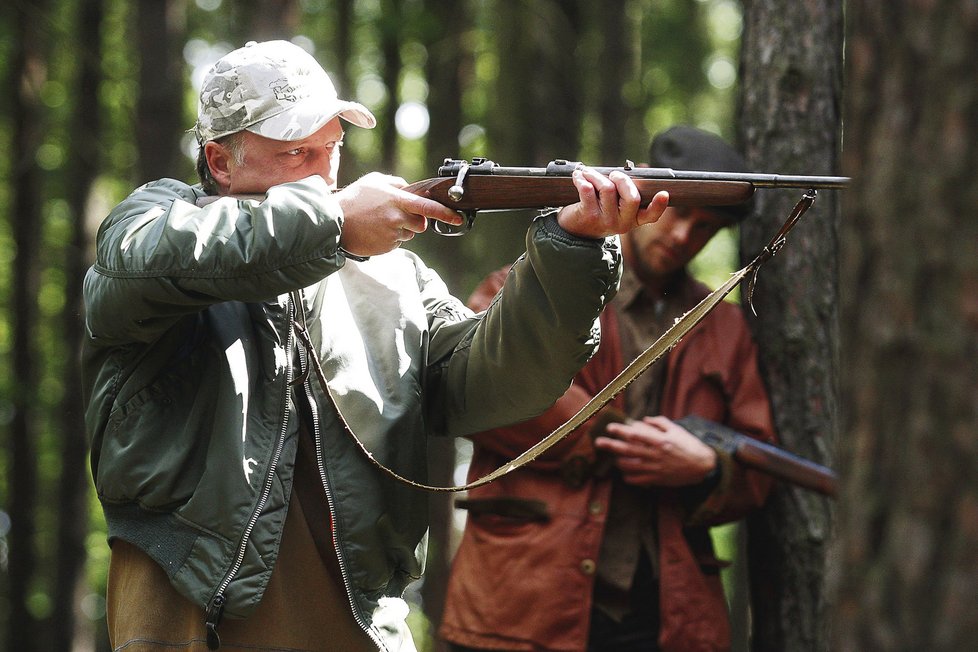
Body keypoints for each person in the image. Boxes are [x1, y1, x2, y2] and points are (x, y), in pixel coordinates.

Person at [81, 39, 668, 652]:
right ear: (220, 163)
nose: (322, 171)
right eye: (296, 152)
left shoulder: (396, 277)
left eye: (331, 149)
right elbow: (155, 260)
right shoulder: (154, 224)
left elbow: (489, 382)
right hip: (185, 601)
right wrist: (333, 220)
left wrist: (571, 248)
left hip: (359, 609)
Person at [439, 126, 778, 652]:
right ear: (644, 199)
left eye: (706, 227)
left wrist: (708, 470)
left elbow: (759, 467)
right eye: (679, 213)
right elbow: (483, 398)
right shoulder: (532, 286)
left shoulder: (725, 328)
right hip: (524, 597)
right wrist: (615, 438)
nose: (686, 235)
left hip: (663, 610)